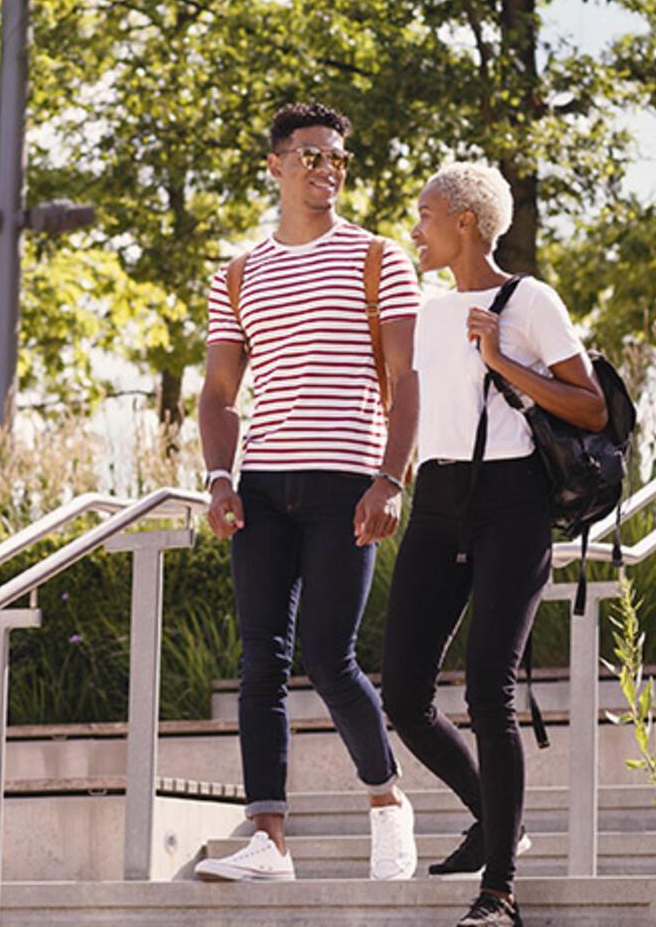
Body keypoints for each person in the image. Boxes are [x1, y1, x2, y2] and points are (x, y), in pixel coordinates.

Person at [191, 102, 420, 883]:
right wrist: (220, 478)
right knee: (261, 660)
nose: (327, 170)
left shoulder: (378, 258)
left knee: (328, 656)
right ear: (277, 165)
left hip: (346, 478)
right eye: (312, 156)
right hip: (263, 484)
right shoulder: (239, 273)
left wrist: (391, 478)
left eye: (337, 159)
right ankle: (269, 840)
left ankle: (387, 802)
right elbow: (219, 393)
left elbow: (406, 377)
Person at [382, 162, 606, 927]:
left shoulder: (530, 299)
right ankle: (492, 813)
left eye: (425, 215)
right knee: (404, 694)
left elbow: (592, 408)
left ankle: (500, 890)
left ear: (466, 221)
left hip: (513, 503)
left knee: (488, 691)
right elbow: (409, 399)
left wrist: (505, 362)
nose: (416, 229)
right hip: (437, 503)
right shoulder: (427, 308)